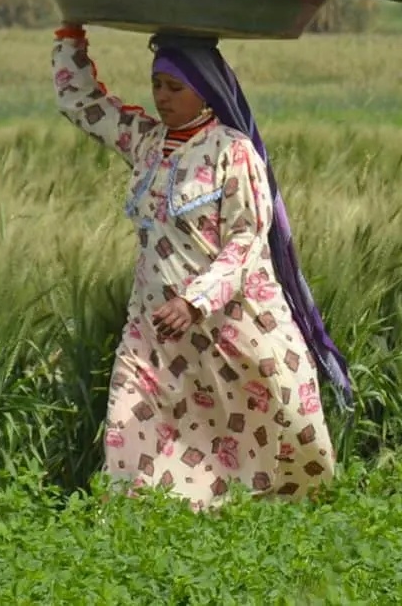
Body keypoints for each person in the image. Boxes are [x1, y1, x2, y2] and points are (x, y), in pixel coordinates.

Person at [51, 25, 350, 507]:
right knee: (129, 438)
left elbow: (246, 241)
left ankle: (270, 532)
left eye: (175, 88)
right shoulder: (146, 142)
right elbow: (82, 105)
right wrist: (70, 35)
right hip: (154, 336)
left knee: (280, 437)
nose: (162, 98)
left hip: (231, 332)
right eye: (157, 86)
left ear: (205, 91)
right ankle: (133, 540)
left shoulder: (233, 152)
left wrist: (195, 302)